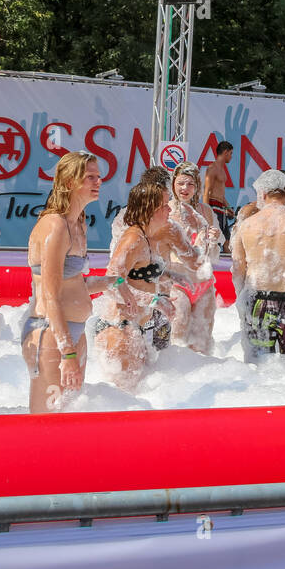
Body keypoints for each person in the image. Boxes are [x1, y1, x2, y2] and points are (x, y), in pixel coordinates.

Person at [22, 152, 106, 413]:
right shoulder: (55, 225)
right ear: (70, 182)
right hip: (50, 333)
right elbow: (50, 295)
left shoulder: (78, 223)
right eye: (90, 177)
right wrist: (67, 352)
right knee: (45, 420)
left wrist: (115, 282)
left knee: (69, 414)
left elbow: (75, 284)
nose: (98, 181)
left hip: (73, 332)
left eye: (99, 176)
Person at [89, 181, 175, 392]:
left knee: (144, 398)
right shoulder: (133, 239)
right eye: (165, 204)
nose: (170, 209)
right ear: (150, 208)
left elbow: (141, 277)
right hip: (119, 329)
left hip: (140, 326)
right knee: (124, 402)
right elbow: (110, 283)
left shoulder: (148, 237)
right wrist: (154, 300)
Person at [231, 169, 285, 361]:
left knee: (257, 367)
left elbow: (237, 269)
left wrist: (242, 302)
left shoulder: (247, 226)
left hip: (257, 300)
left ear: (262, 194)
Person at [167, 161, 221, 354]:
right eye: (181, 183)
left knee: (203, 344)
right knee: (177, 342)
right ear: (173, 183)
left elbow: (213, 257)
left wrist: (213, 242)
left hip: (203, 283)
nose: (185, 188)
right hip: (178, 282)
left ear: (197, 187)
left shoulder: (205, 212)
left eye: (190, 184)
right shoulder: (165, 211)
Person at [204, 140, 235, 251]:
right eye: (231, 153)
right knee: (214, 241)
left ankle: (229, 268)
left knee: (227, 241)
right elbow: (207, 191)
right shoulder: (212, 168)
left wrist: (227, 207)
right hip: (213, 208)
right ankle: (211, 266)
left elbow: (220, 194)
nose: (231, 157)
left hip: (221, 209)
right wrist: (206, 212)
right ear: (225, 152)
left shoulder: (222, 170)